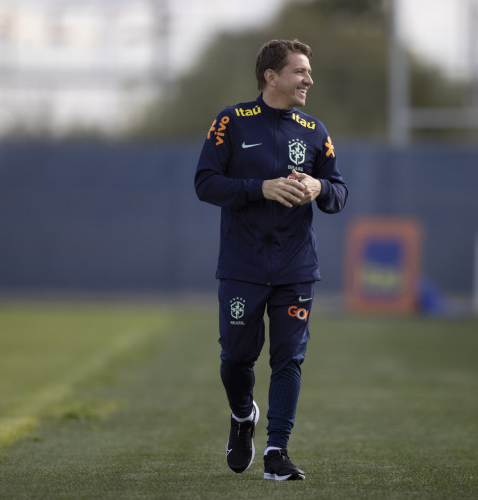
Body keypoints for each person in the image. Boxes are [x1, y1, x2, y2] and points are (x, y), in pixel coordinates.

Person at [194, 39, 348, 481]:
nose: (309, 80)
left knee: (289, 359)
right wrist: (259, 188)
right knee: (236, 359)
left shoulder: (315, 130)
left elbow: (338, 192)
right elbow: (205, 183)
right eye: (300, 71)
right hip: (242, 267)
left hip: (295, 268)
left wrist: (320, 188)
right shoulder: (231, 121)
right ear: (272, 76)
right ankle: (243, 416)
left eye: (309, 72)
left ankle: (277, 452)